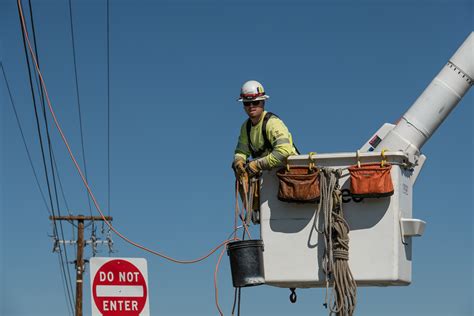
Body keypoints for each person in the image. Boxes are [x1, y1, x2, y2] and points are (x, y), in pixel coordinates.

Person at [232, 80, 298, 212]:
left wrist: (256, 165)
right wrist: (239, 161)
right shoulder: (246, 127)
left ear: (263, 102)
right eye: (247, 103)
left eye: (255, 102)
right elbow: (241, 151)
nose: (251, 106)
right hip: (270, 181)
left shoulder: (273, 123)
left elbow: (284, 152)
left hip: (290, 178)